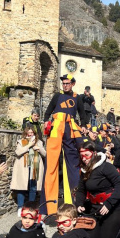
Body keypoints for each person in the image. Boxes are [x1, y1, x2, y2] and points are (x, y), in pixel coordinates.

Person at [43, 74, 85, 211]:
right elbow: (48, 110)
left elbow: (82, 113)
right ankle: (49, 206)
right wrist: (45, 121)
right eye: (64, 83)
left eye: (67, 83)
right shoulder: (57, 96)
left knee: (73, 161)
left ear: (72, 84)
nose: (65, 85)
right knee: (51, 163)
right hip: (56, 126)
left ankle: (74, 201)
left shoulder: (77, 97)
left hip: (70, 126)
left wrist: (84, 124)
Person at [10, 126, 46, 215]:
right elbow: (18, 152)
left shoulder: (39, 142)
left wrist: (39, 149)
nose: (30, 135)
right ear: (25, 134)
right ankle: (20, 207)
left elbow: (45, 154)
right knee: (21, 188)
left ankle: (31, 207)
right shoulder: (21, 142)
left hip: (35, 168)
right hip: (24, 168)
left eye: (32, 133)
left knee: (33, 188)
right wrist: (29, 145)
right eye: (28, 133)